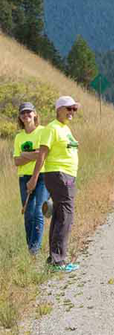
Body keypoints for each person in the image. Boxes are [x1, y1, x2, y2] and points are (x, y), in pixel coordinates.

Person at [26, 96, 81, 272]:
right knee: (65, 215)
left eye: (74, 109)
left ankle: (54, 259)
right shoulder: (52, 128)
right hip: (58, 174)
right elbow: (42, 154)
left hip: (67, 175)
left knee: (59, 215)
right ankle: (58, 261)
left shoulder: (65, 129)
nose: (72, 112)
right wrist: (34, 178)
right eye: (68, 108)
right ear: (58, 109)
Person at [13, 102, 49, 256]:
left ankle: (35, 250)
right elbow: (16, 161)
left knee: (38, 212)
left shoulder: (43, 131)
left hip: (42, 176)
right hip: (23, 178)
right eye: (23, 113)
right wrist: (33, 154)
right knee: (28, 214)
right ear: (20, 117)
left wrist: (25, 155)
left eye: (29, 112)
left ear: (35, 114)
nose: (26, 115)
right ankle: (30, 248)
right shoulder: (19, 137)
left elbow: (43, 154)